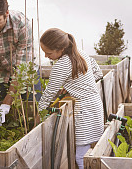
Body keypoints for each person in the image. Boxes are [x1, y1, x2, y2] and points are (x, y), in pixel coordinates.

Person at [37, 28, 104, 169]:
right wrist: (75, 86)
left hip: (83, 111)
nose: (46, 56)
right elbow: (98, 73)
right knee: (93, 151)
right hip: (95, 105)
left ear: (61, 49)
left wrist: (38, 116)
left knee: (80, 157)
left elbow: (49, 94)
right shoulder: (81, 54)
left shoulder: (61, 65)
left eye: (48, 53)